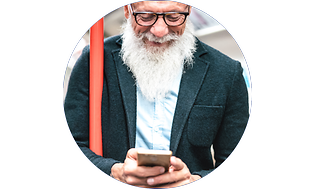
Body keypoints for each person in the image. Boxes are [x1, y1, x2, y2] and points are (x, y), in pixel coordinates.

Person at [64, 1, 249, 188]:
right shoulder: (95, 60)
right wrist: (114, 171)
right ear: (127, 10)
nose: (159, 31)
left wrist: (193, 181)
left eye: (173, 17)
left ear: (189, 9)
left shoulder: (226, 72)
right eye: (145, 16)